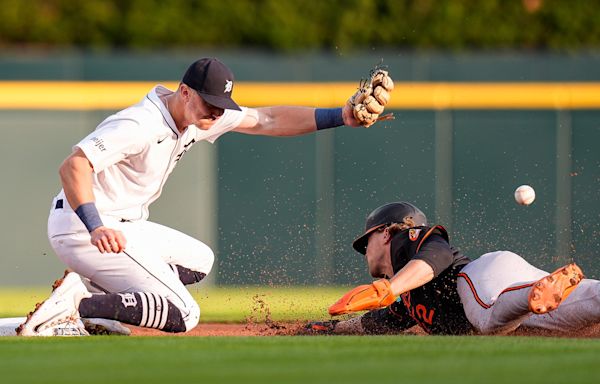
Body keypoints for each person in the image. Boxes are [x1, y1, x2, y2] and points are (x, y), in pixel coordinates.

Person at [18, 58, 392, 336]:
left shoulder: (197, 115)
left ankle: (92, 303)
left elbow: (267, 120)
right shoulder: (139, 124)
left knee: (199, 260)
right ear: (184, 92)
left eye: (221, 104)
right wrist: (95, 226)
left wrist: (341, 116)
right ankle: (77, 304)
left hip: (123, 226)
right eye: (209, 102)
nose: (217, 112)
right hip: (85, 227)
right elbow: (74, 166)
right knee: (183, 312)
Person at [306, 202, 600, 336]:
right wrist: (335, 328)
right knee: (588, 307)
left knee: (487, 320)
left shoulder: (407, 240)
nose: (364, 251)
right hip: (513, 292)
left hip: (481, 278)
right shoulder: (410, 299)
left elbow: (438, 253)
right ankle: (546, 290)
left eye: (366, 241)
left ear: (384, 233)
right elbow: (382, 321)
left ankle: (532, 294)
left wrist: (390, 288)